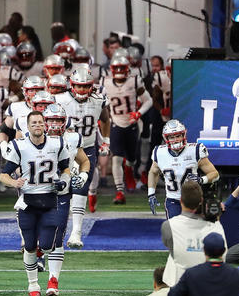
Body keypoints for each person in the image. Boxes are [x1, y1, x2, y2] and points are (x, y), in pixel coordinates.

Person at [0, 111, 71, 296]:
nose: (37, 125)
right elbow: (3, 174)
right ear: (27, 126)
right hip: (28, 202)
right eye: (34, 123)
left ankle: (44, 265)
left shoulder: (57, 143)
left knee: (47, 245)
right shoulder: (19, 146)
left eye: (40, 122)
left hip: (49, 201)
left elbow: (66, 169)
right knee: (29, 247)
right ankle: (33, 286)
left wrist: (63, 181)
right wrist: (14, 183)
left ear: (45, 125)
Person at [57, 67, 110, 249]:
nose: (81, 90)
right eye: (78, 86)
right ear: (71, 85)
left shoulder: (98, 100)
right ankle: (56, 229)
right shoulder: (60, 100)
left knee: (81, 187)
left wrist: (106, 140)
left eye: (85, 86)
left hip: (86, 148)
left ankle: (76, 232)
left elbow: (105, 118)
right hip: (63, 148)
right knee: (61, 190)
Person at [42, 104, 90, 294]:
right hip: (36, 193)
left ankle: (53, 279)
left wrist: (84, 175)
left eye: (58, 120)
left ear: (64, 122)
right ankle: (35, 263)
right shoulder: (33, 139)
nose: (54, 124)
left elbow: (84, 160)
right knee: (36, 240)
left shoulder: (72, 138)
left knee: (58, 234)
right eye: (51, 120)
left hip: (61, 194)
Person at [102, 56, 152, 204]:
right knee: (116, 158)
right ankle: (119, 191)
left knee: (131, 159)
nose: (118, 71)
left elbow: (148, 100)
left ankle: (129, 170)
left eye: (121, 68)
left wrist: (139, 113)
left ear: (127, 68)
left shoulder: (134, 81)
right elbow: (100, 101)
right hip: (116, 124)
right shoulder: (104, 82)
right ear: (111, 69)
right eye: (116, 68)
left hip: (131, 124)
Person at [147, 119, 218, 218]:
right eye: (172, 137)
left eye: (178, 135)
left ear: (183, 135)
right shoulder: (159, 152)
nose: (175, 139)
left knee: (194, 231)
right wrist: (151, 194)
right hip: (173, 201)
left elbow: (215, 174)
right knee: (175, 231)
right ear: (166, 138)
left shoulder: (195, 150)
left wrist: (202, 180)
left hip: (193, 199)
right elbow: (153, 172)